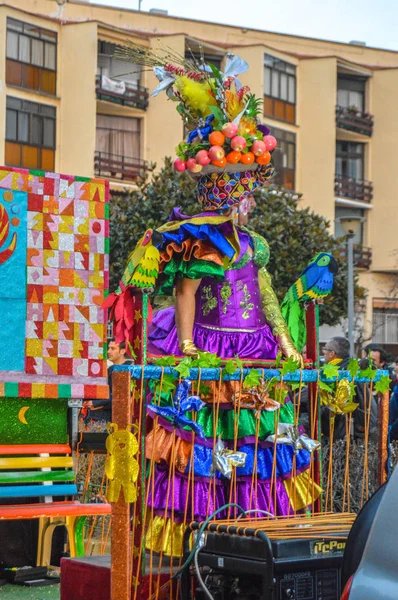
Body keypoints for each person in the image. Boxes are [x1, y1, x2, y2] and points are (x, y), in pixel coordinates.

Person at [107, 51, 320, 557]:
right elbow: (185, 292)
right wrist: (184, 344)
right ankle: (199, 541)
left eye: (247, 196)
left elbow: (265, 295)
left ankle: (251, 533)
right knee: (204, 440)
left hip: (254, 350)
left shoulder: (253, 245)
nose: (247, 203)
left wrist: (287, 341)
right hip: (207, 347)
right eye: (242, 196)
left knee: (253, 440)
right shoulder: (202, 238)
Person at [322, 336, 377, 440]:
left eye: (325, 349)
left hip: (345, 432)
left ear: (332, 353)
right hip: (356, 429)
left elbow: (337, 405)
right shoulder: (351, 368)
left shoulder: (337, 373)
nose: (323, 353)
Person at [81, 339, 133, 432]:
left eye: (113, 349)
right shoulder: (111, 369)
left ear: (122, 351)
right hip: (100, 416)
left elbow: (122, 395)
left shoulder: (127, 369)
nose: (109, 351)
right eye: (109, 348)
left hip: (110, 419)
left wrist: (97, 403)